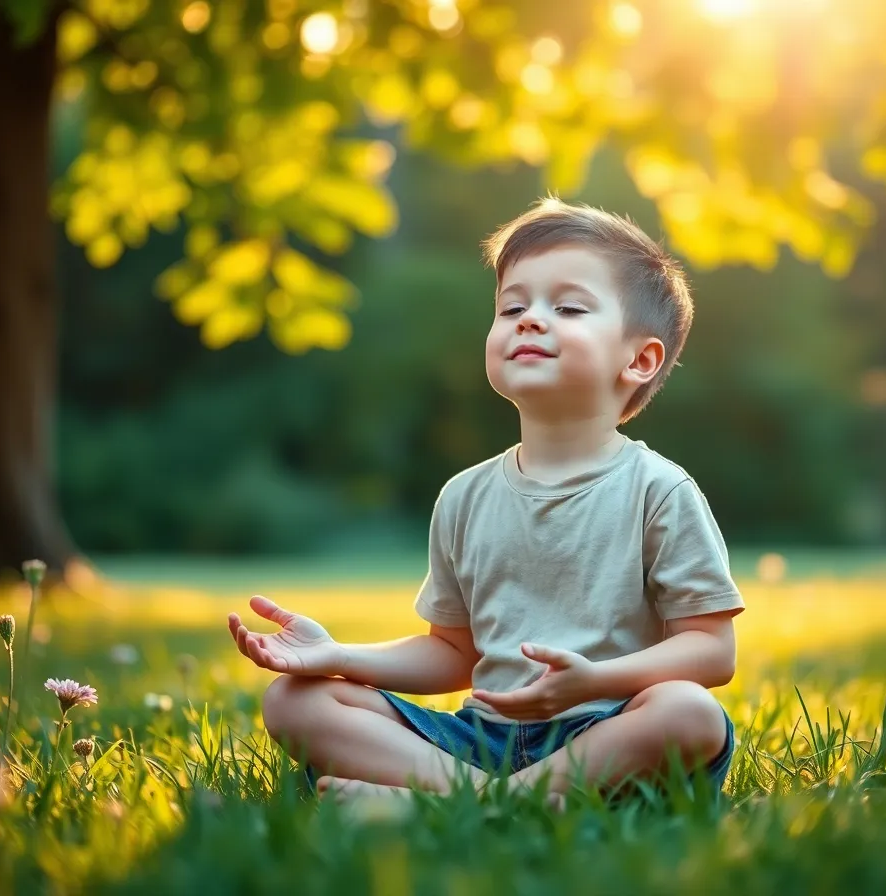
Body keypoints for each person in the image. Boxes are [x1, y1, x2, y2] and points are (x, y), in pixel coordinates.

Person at [228, 197, 746, 805]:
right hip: (483, 739)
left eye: (568, 307)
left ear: (639, 359)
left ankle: (450, 801)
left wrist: (593, 682)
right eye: (512, 307)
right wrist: (337, 654)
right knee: (294, 700)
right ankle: (499, 800)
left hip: (609, 734)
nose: (530, 320)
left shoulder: (659, 491)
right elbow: (451, 654)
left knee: (690, 711)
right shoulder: (465, 496)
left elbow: (712, 651)